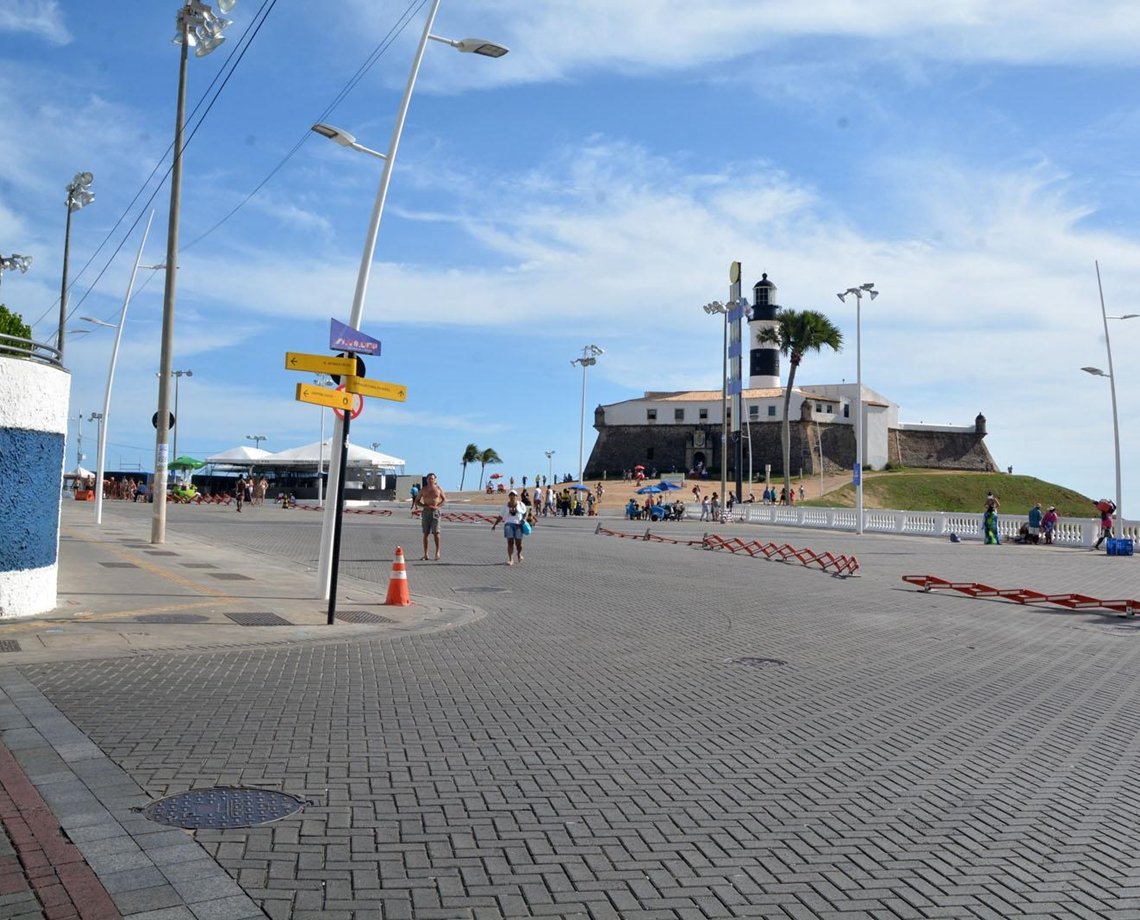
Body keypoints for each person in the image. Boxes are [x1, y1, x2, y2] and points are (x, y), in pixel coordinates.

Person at [412, 472, 446, 560]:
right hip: (426, 512)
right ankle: (426, 554)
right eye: (429, 478)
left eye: (432, 478)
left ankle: (437, 552)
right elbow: (417, 500)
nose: (431, 480)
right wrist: (425, 506)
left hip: (435, 512)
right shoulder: (423, 489)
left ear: (435, 480)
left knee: (436, 533)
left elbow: (444, 500)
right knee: (426, 533)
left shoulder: (438, 489)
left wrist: (437, 506)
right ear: (426, 480)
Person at [491, 489, 528, 565]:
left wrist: (524, 519)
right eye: (510, 495)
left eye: (513, 495)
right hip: (508, 525)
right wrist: (495, 525)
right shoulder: (505, 506)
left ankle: (518, 554)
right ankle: (511, 559)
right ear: (509, 496)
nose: (512, 496)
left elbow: (525, 512)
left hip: (518, 525)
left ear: (516, 496)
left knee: (519, 544)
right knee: (510, 543)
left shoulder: (521, 504)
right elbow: (500, 516)